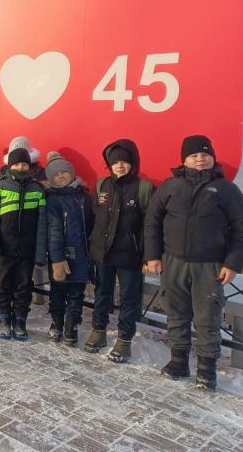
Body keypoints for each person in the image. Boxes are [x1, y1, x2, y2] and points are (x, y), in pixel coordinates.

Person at [144, 135, 243, 391]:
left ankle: (206, 371)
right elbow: (152, 222)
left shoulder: (226, 189)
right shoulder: (171, 186)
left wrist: (233, 264)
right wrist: (153, 255)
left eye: (204, 154)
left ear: (212, 158)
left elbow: (242, 228)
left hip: (210, 266)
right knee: (177, 313)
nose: (200, 158)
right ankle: (178, 362)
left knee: (207, 318)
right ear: (184, 160)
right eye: (194, 155)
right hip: (174, 262)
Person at [85, 139, 153, 363]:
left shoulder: (143, 188)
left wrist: (148, 255)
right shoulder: (102, 185)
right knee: (102, 292)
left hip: (130, 254)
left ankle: (124, 339)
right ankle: (99, 329)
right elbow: (96, 216)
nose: (120, 166)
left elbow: (150, 225)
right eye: (115, 162)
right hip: (103, 252)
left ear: (132, 164)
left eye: (124, 161)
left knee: (129, 297)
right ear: (110, 165)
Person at [0, 147, 47, 340]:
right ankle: (3, 317)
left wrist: (40, 252)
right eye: (17, 163)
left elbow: (42, 224)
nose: (21, 166)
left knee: (23, 286)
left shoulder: (37, 190)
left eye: (24, 163)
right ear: (10, 166)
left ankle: (20, 319)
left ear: (29, 165)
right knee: (2, 284)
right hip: (4, 248)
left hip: (26, 250)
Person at [44, 152, 94, 347]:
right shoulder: (52, 200)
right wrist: (56, 259)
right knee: (58, 291)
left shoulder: (84, 196)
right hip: (61, 257)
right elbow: (54, 232)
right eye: (56, 175)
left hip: (81, 254)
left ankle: (71, 326)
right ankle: (57, 323)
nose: (61, 176)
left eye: (64, 172)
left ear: (72, 174)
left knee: (76, 293)